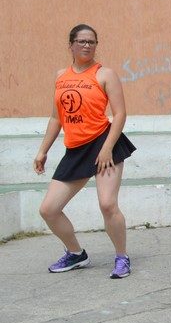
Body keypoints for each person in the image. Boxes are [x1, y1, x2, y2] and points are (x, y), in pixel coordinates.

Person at [34, 24, 136, 278]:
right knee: (48, 209)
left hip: (104, 143)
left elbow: (120, 114)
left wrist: (107, 148)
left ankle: (122, 257)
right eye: (81, 41)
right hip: (75, 150)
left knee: (107, 204)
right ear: (71, 45)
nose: (87, 45)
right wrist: (43, 150)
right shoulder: (61, 76)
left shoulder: (105, 74)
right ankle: (76, 253)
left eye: (91, 41)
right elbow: (56, 117)